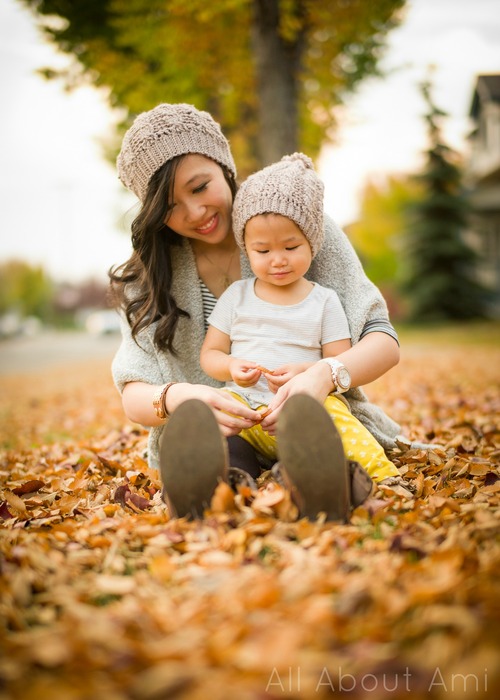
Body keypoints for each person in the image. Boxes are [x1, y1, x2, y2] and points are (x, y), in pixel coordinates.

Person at [110, 103, 404, 520]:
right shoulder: (149, 275)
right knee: (220, 454)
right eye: (170, 205)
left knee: (314, 443)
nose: (195, 213)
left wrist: (326, 373)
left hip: (311, 415)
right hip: (225, 429)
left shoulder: (299, 226)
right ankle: (209, 492)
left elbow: (383, 341)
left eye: (199, 187)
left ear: (223, 165)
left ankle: (315, 481)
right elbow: (133, 390)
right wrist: (181, 397)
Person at [200, 152, 401, 488]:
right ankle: (229, 480)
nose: (277, 260)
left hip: (305, 404)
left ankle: (372, 479)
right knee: (215, 426)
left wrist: (306, 372)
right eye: (262, 251)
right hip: (244, 407)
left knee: (338, 423)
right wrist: (231, 367)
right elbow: (210, 354)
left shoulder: (324, 301)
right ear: (246, 249)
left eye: (291, 247)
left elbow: (338, 360)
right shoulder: (236, 296)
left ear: (313, 243)